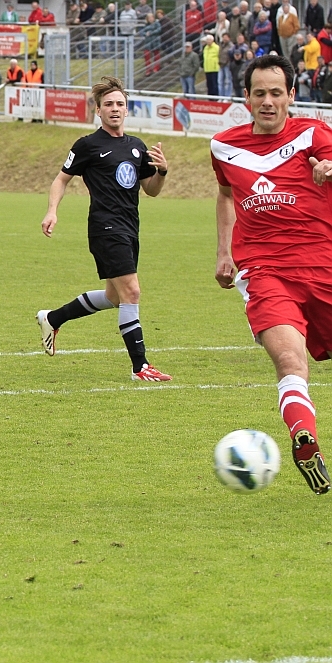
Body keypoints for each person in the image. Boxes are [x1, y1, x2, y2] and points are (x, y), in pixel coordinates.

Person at [211, 53, 332, 495]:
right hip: (264, 271)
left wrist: (328, 169)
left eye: (276, 93)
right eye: (259, 93)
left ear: (291, 96)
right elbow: (226, 195)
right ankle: (305, 438)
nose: (267, 101)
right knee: (289, 361)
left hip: (322, 265)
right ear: (245, 97)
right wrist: (224, 252)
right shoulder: (223, 146)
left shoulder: (314, 135)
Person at [38, 76, 171, 383]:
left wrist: (162, 171)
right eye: (108, 104)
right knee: (132, 292)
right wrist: (52, 210)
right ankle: (140, 366)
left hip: (130, 227)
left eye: (120, 104)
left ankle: (52, 318)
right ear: (98, 110)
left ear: (127, 109)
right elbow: (61, 179)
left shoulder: (136, 147)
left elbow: (151, 190)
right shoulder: (88, 145)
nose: (115, 109)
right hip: (105, 227)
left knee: (115, 296)